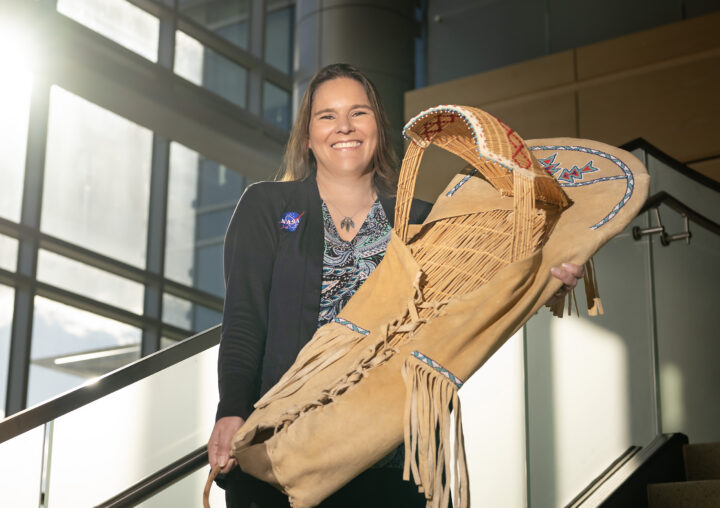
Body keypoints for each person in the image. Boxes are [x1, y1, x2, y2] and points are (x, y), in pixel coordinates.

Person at [207, 63, 583, 507]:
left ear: (379, 130)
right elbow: (244, 321)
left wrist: (545, 285)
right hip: (285, 455)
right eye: (327, 115)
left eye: (358, 113)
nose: (344, 126)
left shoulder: (428, 218)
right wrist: (232, 408)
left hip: (398, 458)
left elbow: (474, 303)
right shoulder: (267, 206)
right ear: (307, 136)